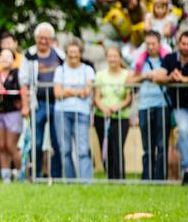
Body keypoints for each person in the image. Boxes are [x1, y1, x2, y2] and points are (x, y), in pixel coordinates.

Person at [19, 22, 65, 179]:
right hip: (37, 104)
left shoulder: (59, 55)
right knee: (36, 142)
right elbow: (23, 82)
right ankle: (35, 174)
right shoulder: (29, 55)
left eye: (46, 38)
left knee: (57, 141)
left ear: (51, 39)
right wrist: (25, 105)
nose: (43, 41)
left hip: (56, 103)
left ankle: (57, 175)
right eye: (40, 38)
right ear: (36, 38)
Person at [153, 30, 188, 185]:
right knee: (183, 130)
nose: (186, 47)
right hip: (180, 107)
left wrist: (185, 79)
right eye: (183, 44)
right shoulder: (170, 59)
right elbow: (157, 76)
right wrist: (170, 78)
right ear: (178, 44)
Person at [128, 31, 169, 180]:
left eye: (153, 44)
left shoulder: (166, 59)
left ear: (159, 44)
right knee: (147, 146)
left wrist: (160, 77)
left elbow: (171, 76)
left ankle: (161, 178)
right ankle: (147, 177)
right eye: (148, 44)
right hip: (144, 106)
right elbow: (129, 81)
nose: (151, 47)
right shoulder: (139, 61)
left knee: (161, 145)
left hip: (162, 104)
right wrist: (145, 76)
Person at [52, 39, 95, 181]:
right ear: (66, 54)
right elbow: (57, 93)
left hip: (82, 112)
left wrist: (68, 91)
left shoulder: (87, 70)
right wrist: (77, 91)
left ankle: (85, 181)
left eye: (76, 53)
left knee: (82, 149)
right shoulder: (60, 70)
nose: (73, 56)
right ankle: (70, 180)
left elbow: (87, 92)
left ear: (80, 53)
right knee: (65, 149)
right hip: (62, 112)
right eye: (70, 53)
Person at [93, 45, 131, 180]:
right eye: (110, 56)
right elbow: (96, 97)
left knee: (118, 147)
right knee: (106, 147)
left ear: (120, 58)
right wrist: (103, 108)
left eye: (115, 56)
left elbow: (128, 98)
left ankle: (120, 177)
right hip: (102, 116)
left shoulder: (127, 75)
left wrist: (117, 107)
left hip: (121, 116)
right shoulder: (100, 75)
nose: (113, 59)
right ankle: (110, 176)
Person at [0, 48, 25, 183]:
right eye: (2, 56)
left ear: (13, 60)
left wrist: (4, 90)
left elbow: (20, 91)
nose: (5, 59)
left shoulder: (18, 74)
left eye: (8, 56)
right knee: (1, 145)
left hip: (13, 112)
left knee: (11, 145)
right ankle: (5, 176)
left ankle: (20, 174)